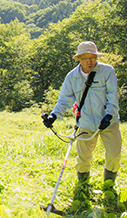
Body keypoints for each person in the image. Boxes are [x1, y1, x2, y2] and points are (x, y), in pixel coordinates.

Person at [42, 41, 122, 184]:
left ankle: (109, 186)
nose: (89, 61)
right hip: (85, 122)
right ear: (79, 58)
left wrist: (109, 115)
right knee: (83, 157)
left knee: (114, 155)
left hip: (109, 121)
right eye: (85, 58)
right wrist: (53, 116)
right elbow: (64, 101)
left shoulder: (107, 71)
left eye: (92, 57)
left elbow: (112, 96)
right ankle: (82, 187)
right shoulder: (72, 77)